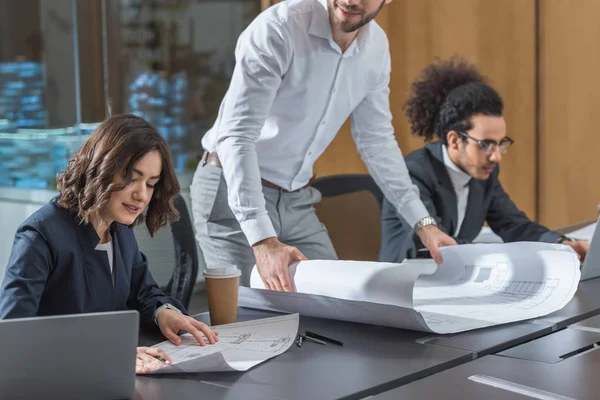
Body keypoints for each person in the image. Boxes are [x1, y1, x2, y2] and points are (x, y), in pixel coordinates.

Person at [190, 0, 456, 291]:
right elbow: (237, 136)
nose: (351, 0)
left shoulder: (376, 47)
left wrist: (423, 224)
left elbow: (376, 140)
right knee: (246, 320)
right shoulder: (278, 29)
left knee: (335, 304)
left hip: (295, 199)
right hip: (232, 189)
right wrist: (264, 241)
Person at [0, 114, 218, 374]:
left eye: (150, 184)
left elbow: (144, 292)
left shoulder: (119, 230)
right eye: (131, 179)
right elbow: (13, 335)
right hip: (59, 380)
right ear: (101, 167)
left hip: (109, 376)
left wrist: (163, 312)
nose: (141, 195)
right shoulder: (39, 237)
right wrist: (110, 353)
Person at [379, 58, 590, 263]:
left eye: (501, 143)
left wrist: (561, 244)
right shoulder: (414, 172)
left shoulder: (483, 172)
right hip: (407, 286)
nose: (496, 156)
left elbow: (513, 224)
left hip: (453, 282)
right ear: (454, 140)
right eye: (486, 144)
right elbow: (442, 243)